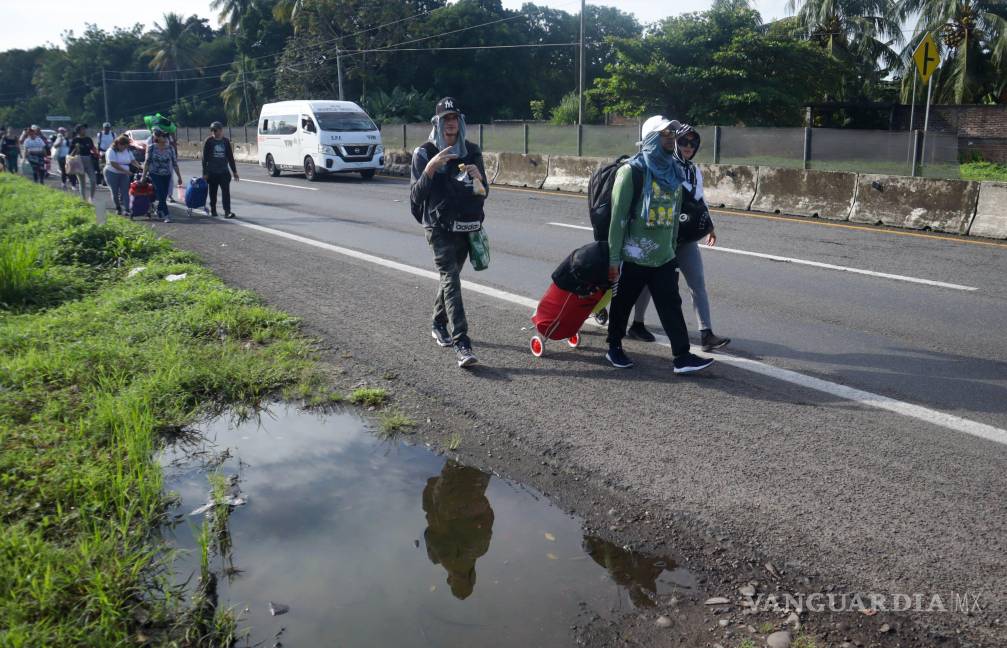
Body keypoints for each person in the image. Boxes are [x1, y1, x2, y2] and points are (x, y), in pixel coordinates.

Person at [604, 115, 713, 374]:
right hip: (633, 254)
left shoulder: (674, 171)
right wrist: (613, 260)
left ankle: (682, 356)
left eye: (672, 134)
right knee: (622, 304)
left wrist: (673, 248)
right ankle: (614, 347)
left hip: (664, 255)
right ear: (652, 138)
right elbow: (618, 219)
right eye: (665, 134)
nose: (671, 139)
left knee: (671, 304)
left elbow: (675, 214)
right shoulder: (631, 172)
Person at [624, 123, 731, 353]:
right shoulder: (666, 167)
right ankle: (636, 324)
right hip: (662, 235)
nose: (688, 147)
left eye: (693, 143)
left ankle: (706, 333)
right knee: (647, 283)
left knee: (697, 283)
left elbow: (699, 199)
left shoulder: (694, 170)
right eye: (683, 141)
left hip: (685, 237)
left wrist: (709, 225)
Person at [410, 97, 489, 368]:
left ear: (461, 122)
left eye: (454, 118)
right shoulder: (424, 152)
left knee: (449, 279)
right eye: (446, 119)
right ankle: (462, 343)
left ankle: (437, 322)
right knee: (451, 278)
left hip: (466, 226)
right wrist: (431, 168)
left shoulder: (472, 151)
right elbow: (416, 195)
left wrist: (477, 176)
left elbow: (484, 192)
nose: (451, 123)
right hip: (438, 227)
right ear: (438, 123)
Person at [422, 461, 495, 600]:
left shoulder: (480, 550)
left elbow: (489, 516)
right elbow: (430, 536)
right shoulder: (445, 558)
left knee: (472, 462)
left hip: (475, 490)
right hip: (450, 500)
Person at [141, 128, 183, 222]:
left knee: (164, 194)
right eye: (163, 136)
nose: (165, 138)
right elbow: (147, 162)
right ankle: (166, 215)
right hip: (155, 173)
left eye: (166, 136)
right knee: (160, 191)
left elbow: (174, 163)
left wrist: (179, 177)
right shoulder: (151, 147)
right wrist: (143, 176)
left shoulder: (170, 148)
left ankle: (159, 210)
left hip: (166, 174)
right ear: (157, 138)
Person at [201, 121, 239, 218]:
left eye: (216, 130)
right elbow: (204, 159)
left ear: (221, 130)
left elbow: (230, 157)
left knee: (226, 192)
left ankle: (227, 211)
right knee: (213, 192)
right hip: (212, 172)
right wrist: (205, 173)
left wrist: (234, 172)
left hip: (224, 172)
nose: (214, 132)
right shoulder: (208, 141)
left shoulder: (226, 141)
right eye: (212, 130)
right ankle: (213, 209)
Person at [104, 135, 138, 215]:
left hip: (124, 174)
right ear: (119, 144)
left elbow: (133, 160)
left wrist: (140, 166)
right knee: (115, 192)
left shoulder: (127, 150)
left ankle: (127, 209)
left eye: (126, 146)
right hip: (112, 173)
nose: (124, 148)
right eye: (123, 146)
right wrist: (126, 172)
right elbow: (114, 164)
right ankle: (118, 207)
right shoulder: (111, 151)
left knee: (125, 191)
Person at [68, 124, 99, 202]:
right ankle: (83, 199)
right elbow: (70, 155)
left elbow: (93, 148)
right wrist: (76, 149)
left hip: (88, 160)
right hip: (79, 161)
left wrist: (97, 154)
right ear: (78, 131)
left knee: (93, 180)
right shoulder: (75, 140)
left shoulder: (88, 139)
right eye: (82, 129)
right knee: (82, 182)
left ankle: (91, 197)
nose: (84, 130)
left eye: (85, 129)